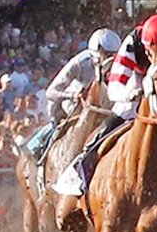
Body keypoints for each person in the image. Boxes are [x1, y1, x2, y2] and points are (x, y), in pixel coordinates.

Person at [53, 13, 157, 197]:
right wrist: (133, 94)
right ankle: (78, 178)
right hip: (132, 100)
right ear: (148, 47)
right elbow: (114, 89)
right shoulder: (132, 42)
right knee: (95, 140)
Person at [26, 28, 122, 165]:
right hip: (70, 104)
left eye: (114, 55)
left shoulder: (118, 65)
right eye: (107, 55)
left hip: (100, 105)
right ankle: (44, 145)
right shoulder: (80, 63)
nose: (111, 60)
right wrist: (73, 95)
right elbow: (51, 91)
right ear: (96, 51)